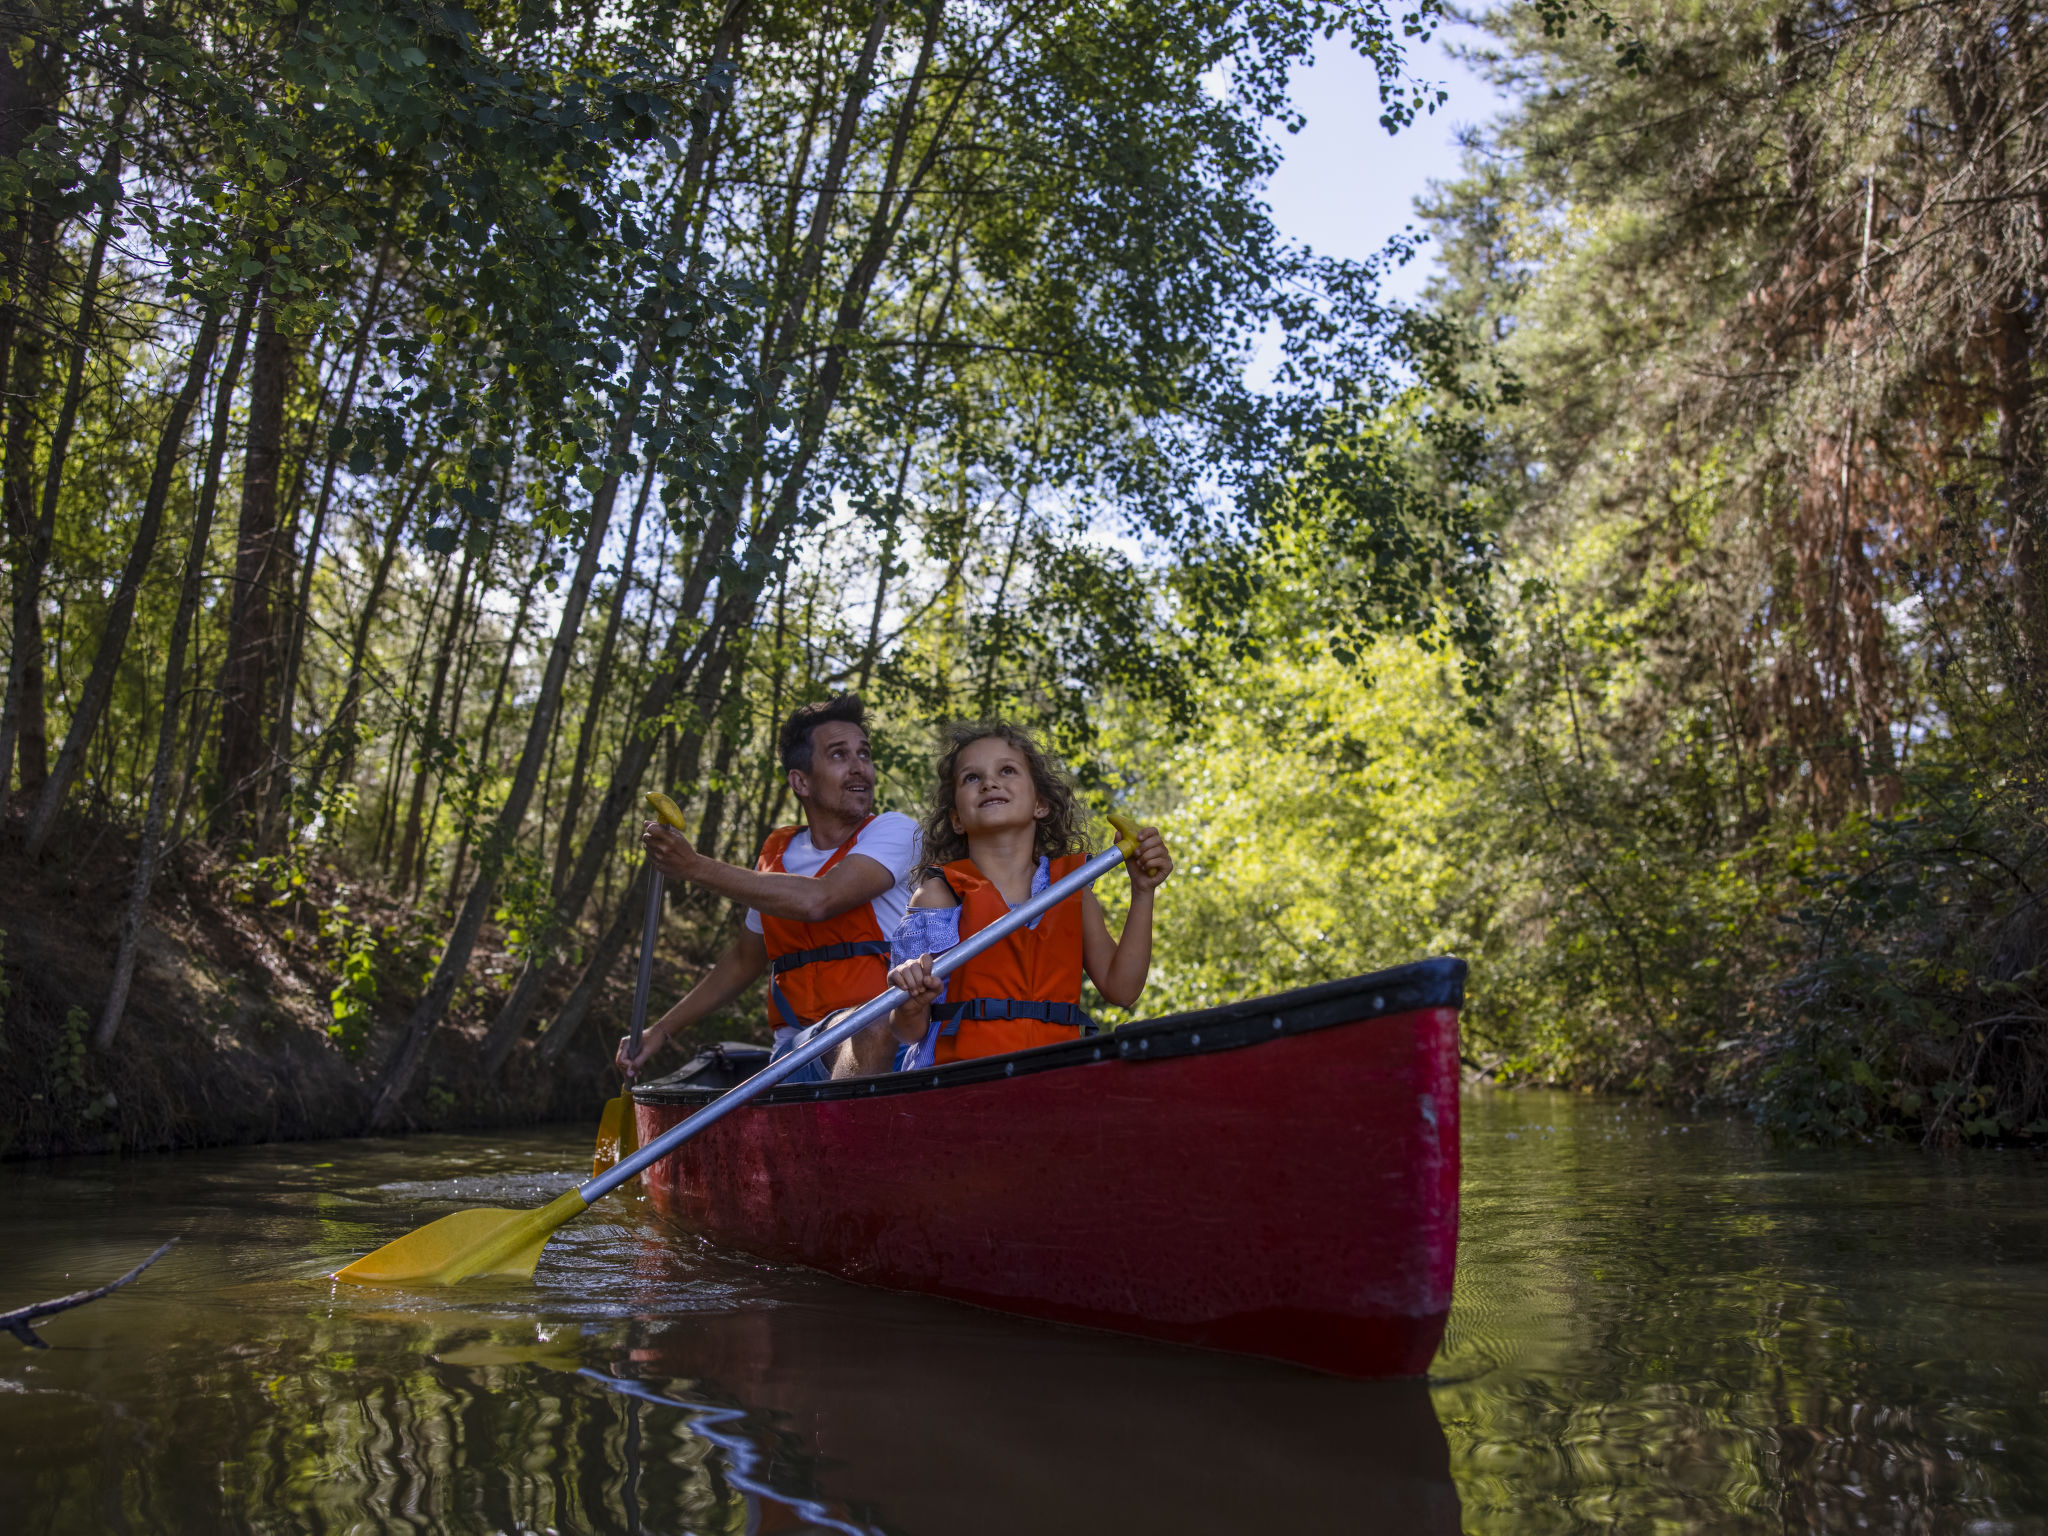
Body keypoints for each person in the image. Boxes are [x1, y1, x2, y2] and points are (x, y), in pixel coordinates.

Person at [615, 694, 920, 1083]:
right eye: (840, 756)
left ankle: (850, 1135)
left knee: (873, 1022)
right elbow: (745, 959)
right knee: (862, 1028)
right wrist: (659, 1030)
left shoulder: (895, 831)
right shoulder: (776, 856)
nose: (860, 768)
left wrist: (693, 867)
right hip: (800, 1050)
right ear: (801, 781)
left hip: (894, 1043)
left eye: (865, 754)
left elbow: (819, 899)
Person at [883, 723, 1172, 1069]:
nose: (990, 782)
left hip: (1052, 1079)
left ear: (1040, 804)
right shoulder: (938, 894)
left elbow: (1122, 990)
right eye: (971, 778)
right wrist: (912, 1004)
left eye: (1007, 770)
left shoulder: (1070, 890)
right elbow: (907, 1030)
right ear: (957, 819)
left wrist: (1142, 893)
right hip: (958, 1082)